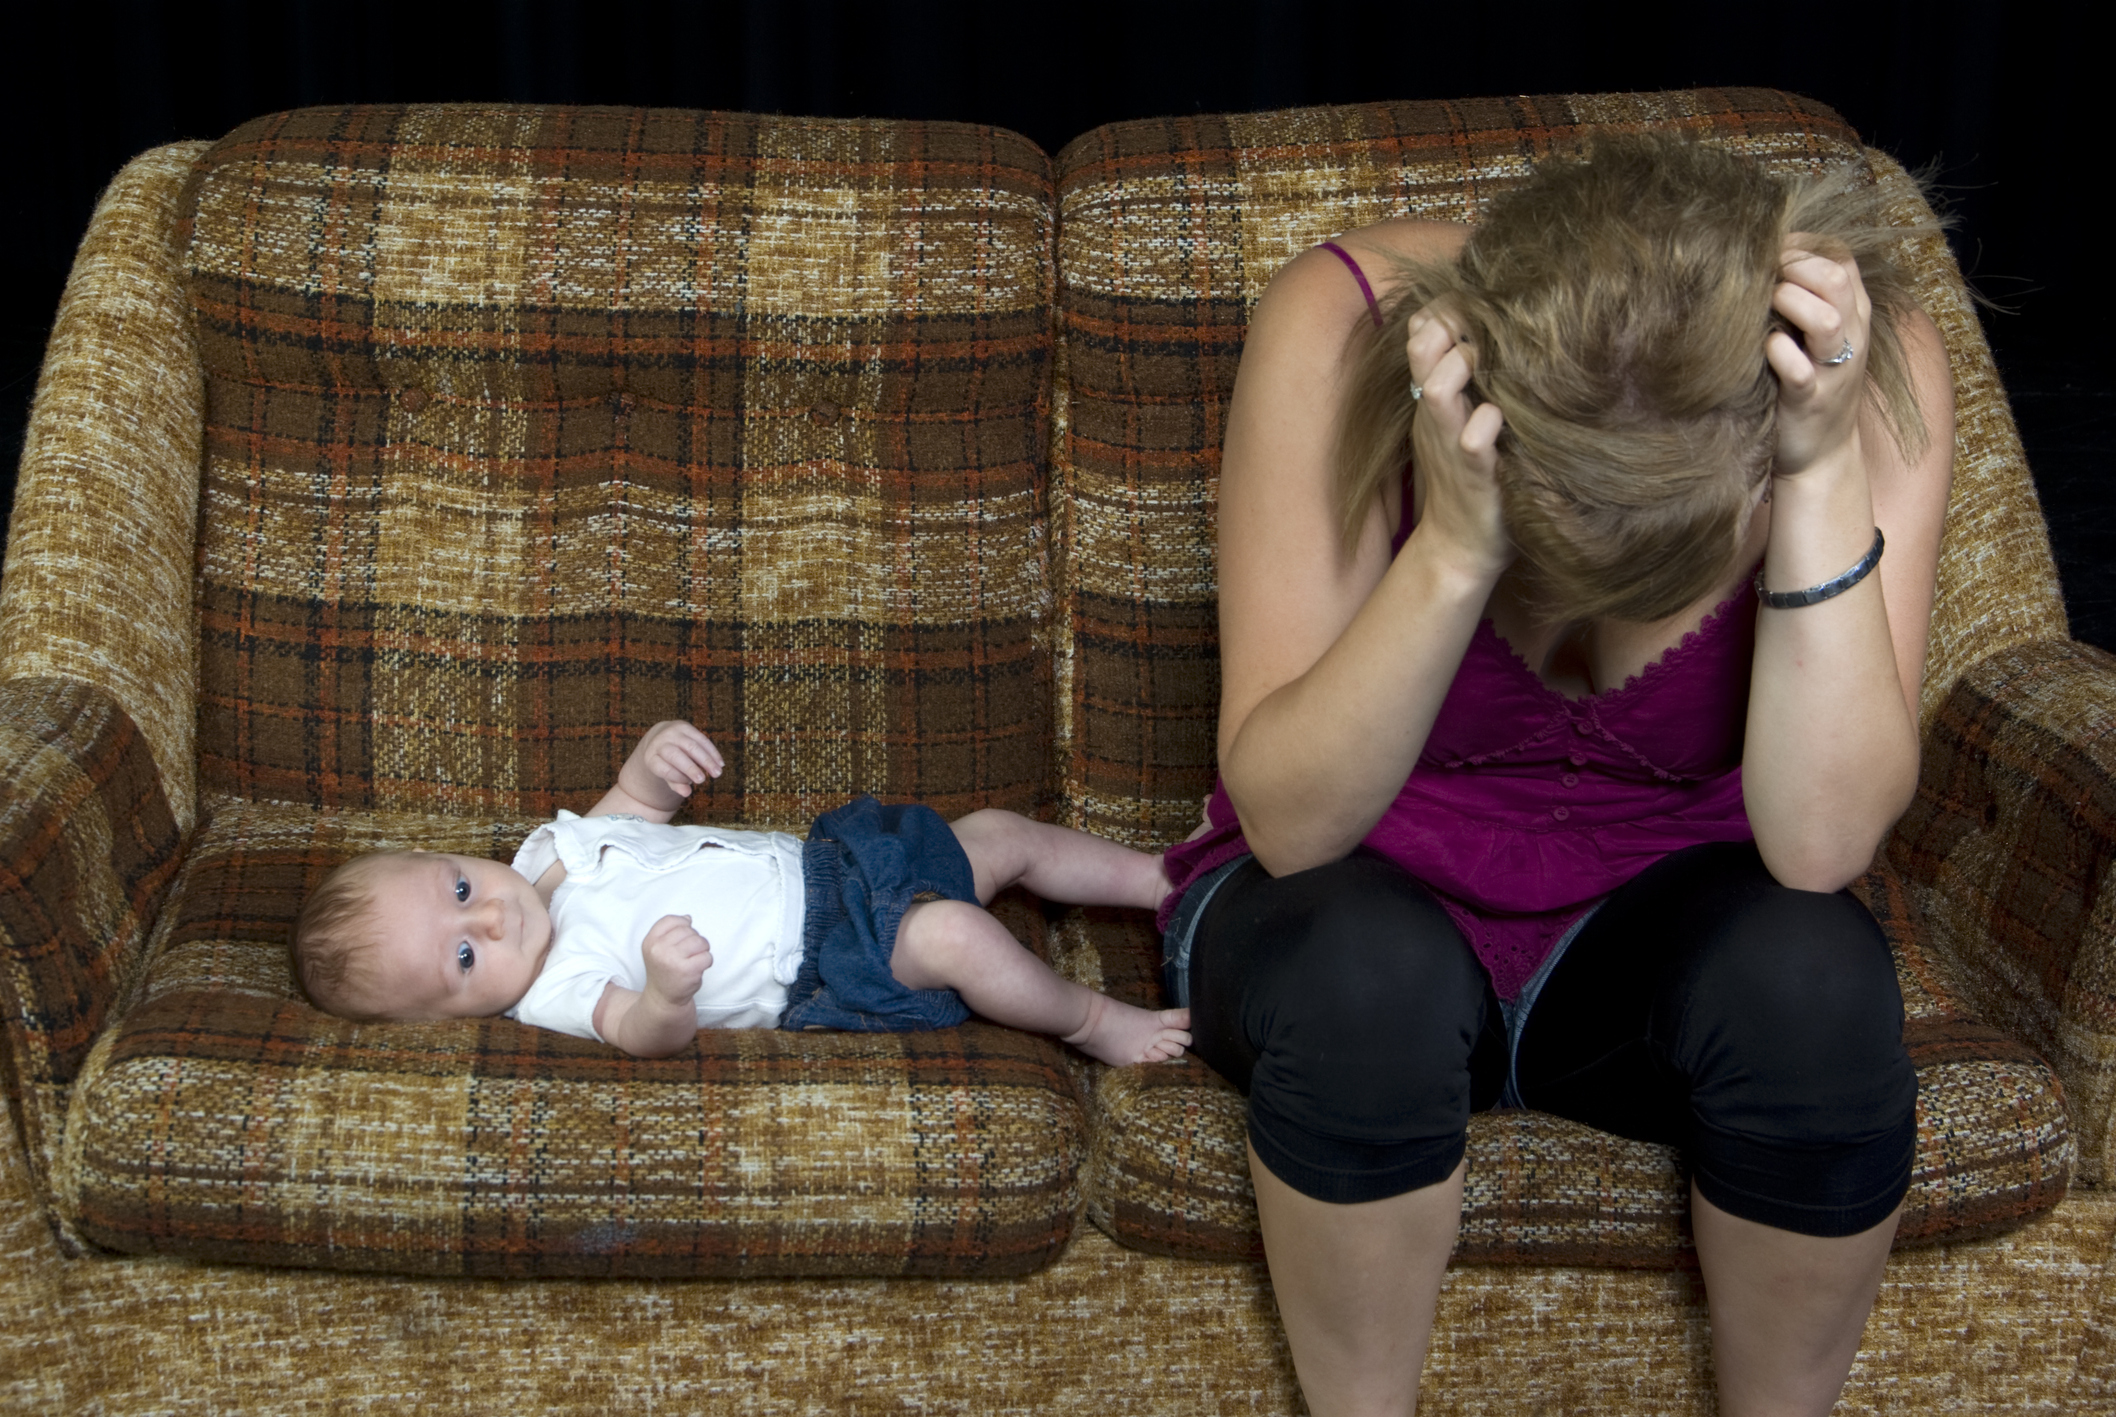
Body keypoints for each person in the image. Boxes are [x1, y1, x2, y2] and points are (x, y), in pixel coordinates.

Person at [1155, 135, 1954, 1416]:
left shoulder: (1863, 362)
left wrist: (1815, 469)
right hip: (1345, 904)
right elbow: (1291, 825)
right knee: (1370, 983)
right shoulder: (1343, 320)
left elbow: (1819, 845)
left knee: (1815, 976)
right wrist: (1458, 552)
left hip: (1658, 933)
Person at [295, 719, 1191, 1065]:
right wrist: (663, 990)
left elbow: (634, 812)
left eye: (458, 886)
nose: (490, 914)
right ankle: (1088, 1021)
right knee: (957, 936)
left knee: (999, 832)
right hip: (828, 959)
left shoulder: (544, 856)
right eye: (463, 955)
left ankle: (1158, 878)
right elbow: (645, 1035)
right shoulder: (554, 991)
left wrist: (651, 765)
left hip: (834, 866)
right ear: (444, 1020)